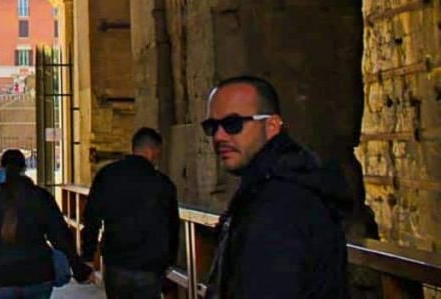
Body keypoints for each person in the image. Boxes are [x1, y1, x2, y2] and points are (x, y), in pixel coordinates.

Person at [202, 76, 351, 298]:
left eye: (233, 124)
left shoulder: (279, 205)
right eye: (211, 126)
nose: (219, 136)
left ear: (271, 125)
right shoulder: (271, 187)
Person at [0, 149, 92, 298]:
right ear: (24, 168)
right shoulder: (41, 196)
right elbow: (60, 237)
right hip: (36, 274)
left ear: (1, 167)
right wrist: (79, 269)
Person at [80, 128, 179, 298]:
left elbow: (91, 217)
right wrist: (170, 260)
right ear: (150, 151)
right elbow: (173, 226)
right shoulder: (163, 184)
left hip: (116, 264)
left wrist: (88, 256)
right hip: (150, 267)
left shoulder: (107, 175)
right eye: (158, 153)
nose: (157, 158)